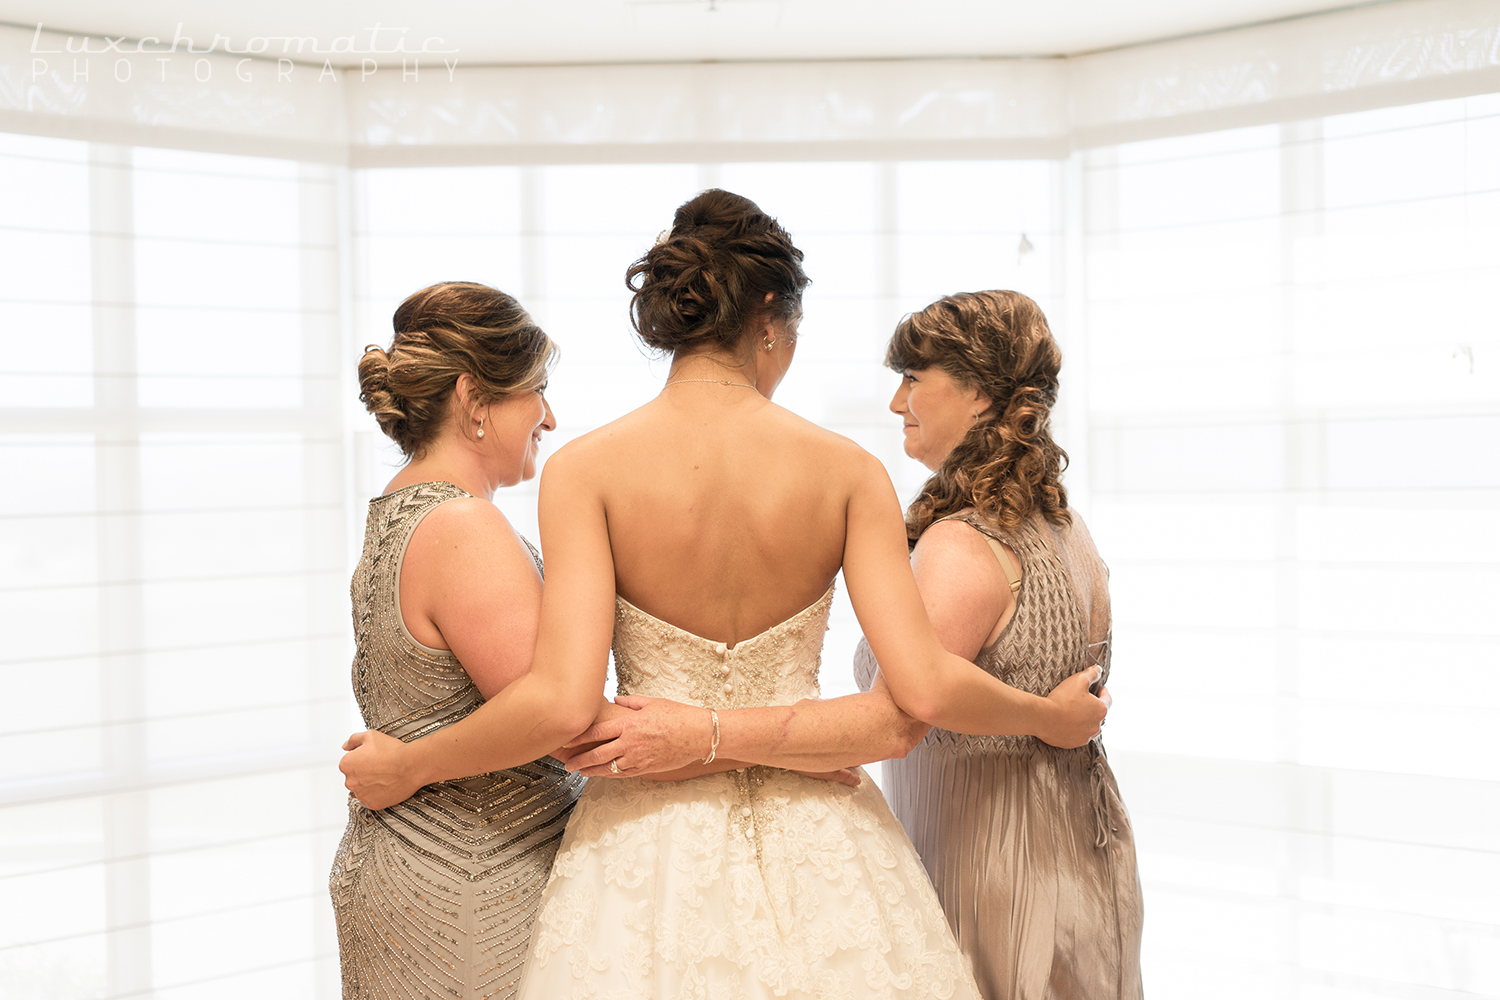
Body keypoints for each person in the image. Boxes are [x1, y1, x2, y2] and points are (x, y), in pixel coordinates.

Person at [338, 191, 1110, 999]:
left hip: (642, 843)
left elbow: (565, 705)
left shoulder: (585, 471)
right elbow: (903, 710)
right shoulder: (849, 472)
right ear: (769, 316)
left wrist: (689, 736)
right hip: (824, 832)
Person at [855, 290, 1144, 999]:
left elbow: (905, 709)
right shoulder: (1065, 528)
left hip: (992, 866)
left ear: (980, 394)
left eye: (914, 378)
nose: (897, 402)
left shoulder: (962, 545)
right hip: (1080, 859)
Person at [328, 282, 585, 1000]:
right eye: (537, 391)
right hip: (469, 877)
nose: (551, 417)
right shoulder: (462, 526)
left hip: (419, 867)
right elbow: (553, 715)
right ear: (476, 399)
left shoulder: (403, 508)